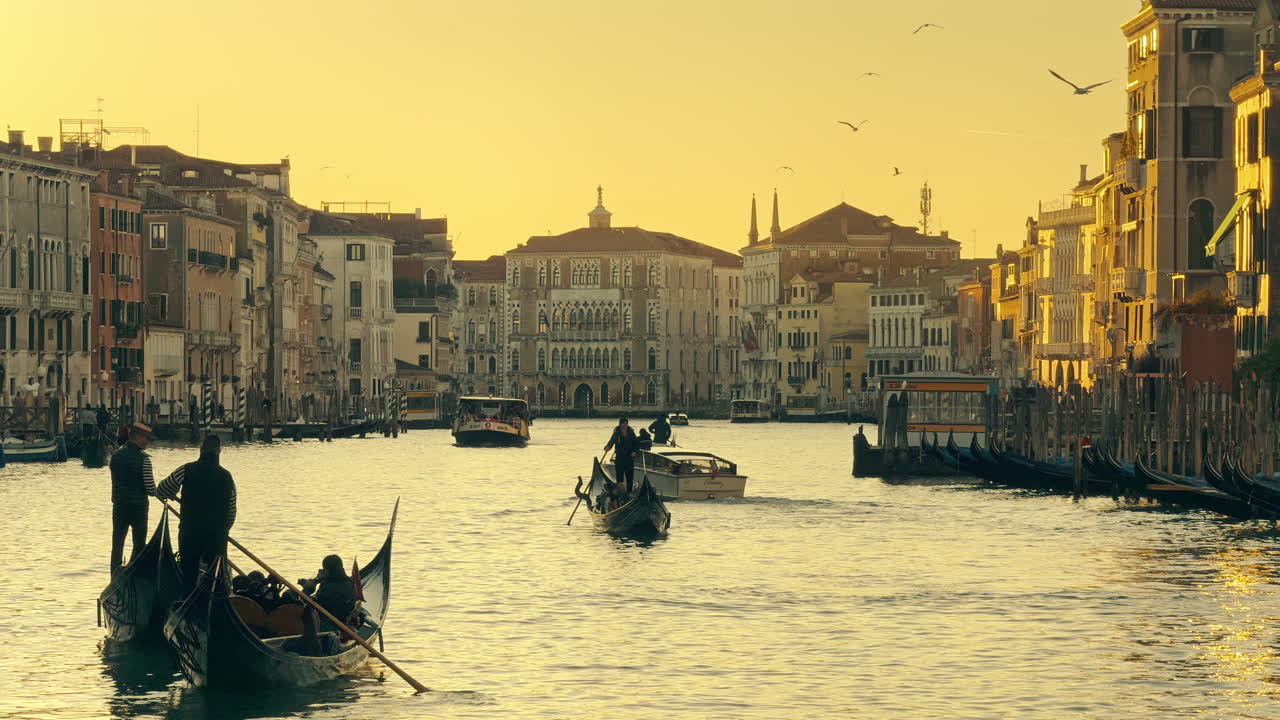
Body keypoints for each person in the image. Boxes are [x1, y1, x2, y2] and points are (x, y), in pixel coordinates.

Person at [156, 434, 237, 593]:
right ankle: (216, 606)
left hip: (190, 531)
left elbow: (162, 490)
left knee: (189, 576)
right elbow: (232, 510)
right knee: (217, 576)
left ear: (200, 450)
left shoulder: (186, 469)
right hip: (217, 535)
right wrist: (224, 530)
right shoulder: (227, 477)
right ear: (219, 451)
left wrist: (172, 493)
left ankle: (188, 604)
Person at [108, 423, 157, 573]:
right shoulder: (145, 460)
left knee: (117, 544)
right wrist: (159, 492)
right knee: (139, 544)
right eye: (147, 439)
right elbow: (150, 489)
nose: (148, 443)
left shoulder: (115, 456)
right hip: (138, 507)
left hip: (120, 505)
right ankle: (134, 574)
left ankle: (114, 576)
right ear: (139, 437)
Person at [603, 417, 639, 493]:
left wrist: (635, 452)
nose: (624, 426)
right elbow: (611, 442)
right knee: (619, 477)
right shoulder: (616, 434)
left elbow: (636, 444)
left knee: (629, 477)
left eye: (626, 424)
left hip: (629, 458)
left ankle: (629, 492)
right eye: (623, 424)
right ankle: (620, 492)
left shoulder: (631, 433)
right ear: (620, 424)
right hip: (619, 458)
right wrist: (607, 447)